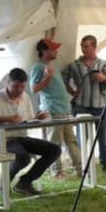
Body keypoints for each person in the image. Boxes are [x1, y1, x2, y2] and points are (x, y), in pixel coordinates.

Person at [0, 68, 59, 196]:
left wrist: (37, 117)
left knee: (54, 150)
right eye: (15, 86)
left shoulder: (25, 96)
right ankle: (5, 182)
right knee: (23, 157)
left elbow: (28, 119)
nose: (19, 90)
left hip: (22, 137)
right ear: (8, 82)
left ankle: (25, 182)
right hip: (2, 139)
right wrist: (6, 119)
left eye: (22, 87)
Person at [64, 35, 106, 173]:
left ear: (94, 46)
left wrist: (104, 78)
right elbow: (63, 79)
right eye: (82, 46)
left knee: (103, 138)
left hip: (101, 107)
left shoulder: (103, 64)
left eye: (86, 46)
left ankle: (105, 163)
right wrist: (72, 91)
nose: (83, 49)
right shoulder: (74, 65)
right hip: (82, 107)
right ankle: (82, 166)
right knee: (82, 139)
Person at [30, 38, 80, 177]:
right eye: (53, 49)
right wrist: (47, 77)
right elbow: (34, 88)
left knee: (71, 141)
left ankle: (80, 169)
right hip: (51, 109)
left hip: (64, 109)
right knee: (54, 143)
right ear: (45, 51)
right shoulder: (38, 67)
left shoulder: (53, 65)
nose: (56, 51)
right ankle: (56, 171)